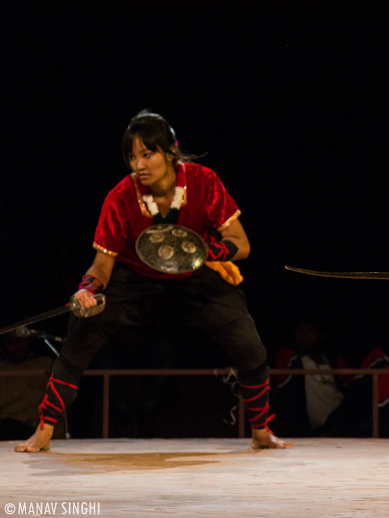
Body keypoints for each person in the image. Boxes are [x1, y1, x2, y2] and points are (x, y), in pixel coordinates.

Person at [14, 110, 290, 452]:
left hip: (193, 272)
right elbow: (102, 264)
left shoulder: (203, 182)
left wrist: (202, 251)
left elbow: (242, 244)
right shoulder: (120, 197)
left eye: (148, 154)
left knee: (249, 345)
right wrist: (87, 290)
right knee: (80, 333)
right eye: (132, 156)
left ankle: (261, 431)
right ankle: (44, 430)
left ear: (170, 151)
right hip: (135, 277)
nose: (139, 164)